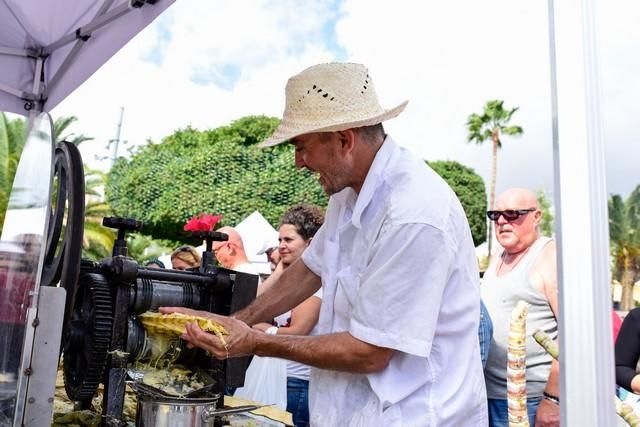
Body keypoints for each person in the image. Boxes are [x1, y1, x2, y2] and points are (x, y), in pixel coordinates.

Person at [162, 62, 487, 426]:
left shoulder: (414, 212)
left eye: (302, 147)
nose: (300, 162)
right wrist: (232, 323)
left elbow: (370, 353)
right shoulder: (346, 197)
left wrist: (254, 341)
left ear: (344, 140)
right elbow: (308, 270)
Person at [481, 188, 560, 427]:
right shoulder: (498, 256)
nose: (502, 221)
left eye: (513, 214)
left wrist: (553, 399)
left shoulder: (549, 256)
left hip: (532, 401)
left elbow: (574, 333)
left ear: (536, 217)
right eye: (495, 215)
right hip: (490, 397)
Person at [250, 204, 324, 426]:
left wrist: (262, 329)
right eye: (280, 240)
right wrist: (282, 268)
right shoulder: (286, 276)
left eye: (289, 240)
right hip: (277, 377)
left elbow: (298, 332)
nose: (281, 246)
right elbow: (255, 303)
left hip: (295, 382)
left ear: (310, 243)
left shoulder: (315, 284)